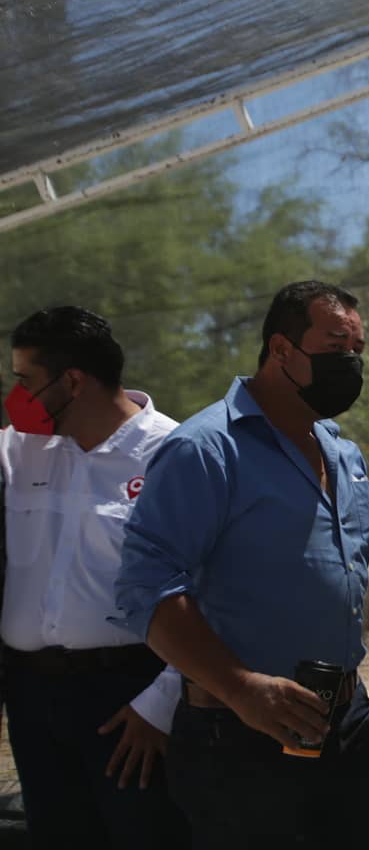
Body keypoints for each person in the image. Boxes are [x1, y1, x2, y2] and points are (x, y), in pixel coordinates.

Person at [111, 280, 369, 849]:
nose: (351, 363)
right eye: (336, 347)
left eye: (357, 349)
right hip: (239, 734)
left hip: (345, 724)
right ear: (281, 350)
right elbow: (145, 585)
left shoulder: (338, 448)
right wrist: (241, 688)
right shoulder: (206, 449)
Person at [0, 306, 187, 848]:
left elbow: (210, 590)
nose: (16, 396)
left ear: (73, 381)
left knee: (145, 833)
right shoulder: (19, 451)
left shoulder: (173, 453)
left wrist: (161, 704)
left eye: (25, 380)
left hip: (130, 698)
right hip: (33, 699)